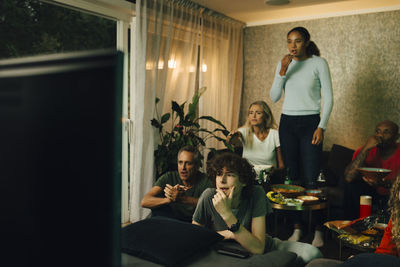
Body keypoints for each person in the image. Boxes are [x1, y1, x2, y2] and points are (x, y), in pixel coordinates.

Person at [192, 152, 322, 266]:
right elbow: (194, 238)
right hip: (227, 251)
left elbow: (258, 248)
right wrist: (230, 234)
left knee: (313, 253)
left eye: (230, 175)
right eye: (219, 174)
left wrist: (227, 215)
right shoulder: (208, 196)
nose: (222, 180)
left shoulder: (256, 194)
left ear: (243, 181)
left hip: (265, 247)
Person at [269, 26, 333, 246]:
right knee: (292, 177)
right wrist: (282, 72)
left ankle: (318, 231)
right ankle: (297, 228)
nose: (292, 46)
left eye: (297, 41)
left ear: (306, 42)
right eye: (289, 41)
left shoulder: (318, 63)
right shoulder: (284, 64)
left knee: (312, 179)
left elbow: (329, 98)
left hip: (310, 123)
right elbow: (274, 96)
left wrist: (321, 126)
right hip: (287, 123)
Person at [344, 120, 400, 219]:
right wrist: (366, 148)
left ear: (396, 137)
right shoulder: (364, 151)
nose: (380, 136)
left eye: (386, 132)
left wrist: (384, 184)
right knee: (351, 186)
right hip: (371, 194)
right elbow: (348, 177)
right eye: (377, 131)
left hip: (393, 195)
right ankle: (352, 229)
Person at [141, 146, 211, 222]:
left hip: (195, 223)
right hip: (172, 221)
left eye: (188, 163)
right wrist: (168, 199)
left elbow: (212, 205)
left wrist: (182, 199)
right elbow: (145, 201)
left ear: (197, 166)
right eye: (180, 162)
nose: (183, 168)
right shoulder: (169, 177)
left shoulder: (206, 181)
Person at [227, 101, 284, 180]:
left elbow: (281, 165)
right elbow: (232, 141)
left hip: (269, 178)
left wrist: (274, 174)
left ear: (265, 116)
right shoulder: (244, 131)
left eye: (258, 113)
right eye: (251, 112)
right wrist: (231, 136)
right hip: (248, 177)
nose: (253, 116)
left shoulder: (274, 134)